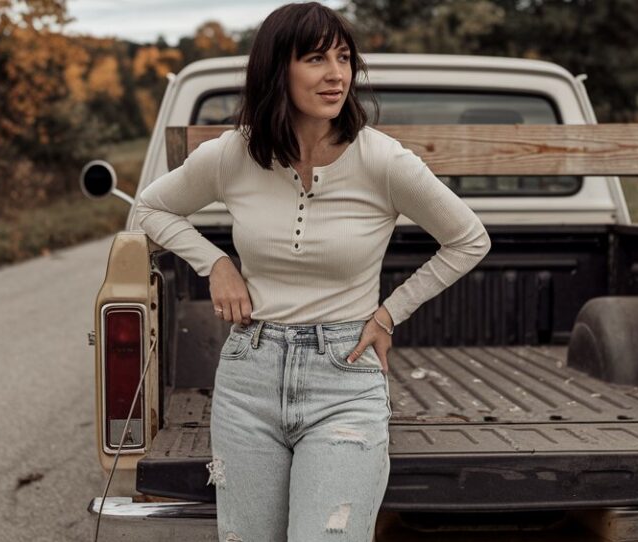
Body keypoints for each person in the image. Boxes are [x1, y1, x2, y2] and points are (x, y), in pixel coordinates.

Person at [134, 2, 491, 540]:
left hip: (344, 376)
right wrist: (217, 264)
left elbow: (468, 240)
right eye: (316, 58)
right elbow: (147, 209)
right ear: (278, 69)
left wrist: (390, 314)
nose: (336, 74)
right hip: (248, 374)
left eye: (344, 58)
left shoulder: (383, 160)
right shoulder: (235, 154)